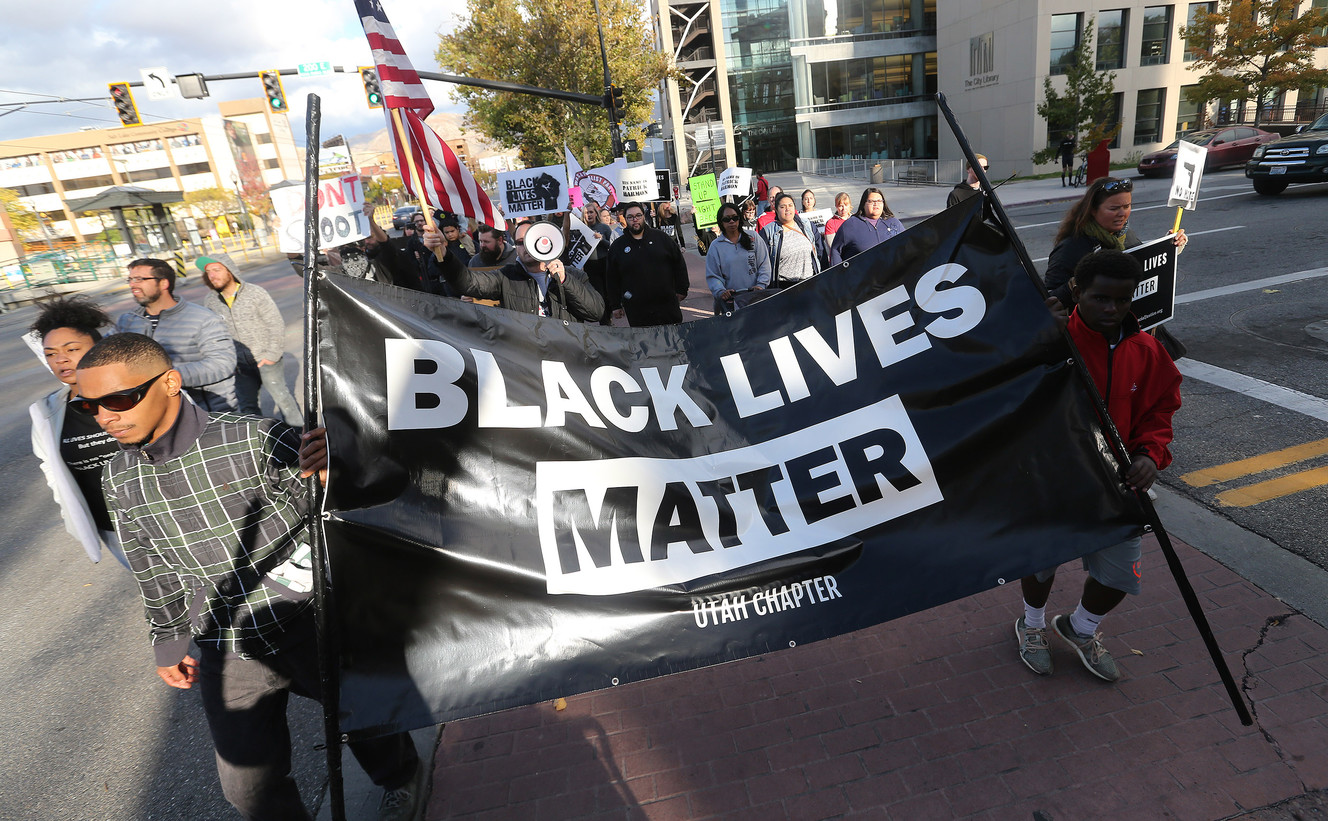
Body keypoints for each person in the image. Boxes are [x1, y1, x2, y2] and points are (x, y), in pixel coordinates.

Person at [73, 333, 425, 820]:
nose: (105, 415)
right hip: (226, 642)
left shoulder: (257, 437)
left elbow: (337, 505)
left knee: (365, 720)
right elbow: (149, 563)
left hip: (309, 620)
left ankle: (402, 778)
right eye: (88, 406)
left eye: (118, 398)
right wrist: (169, 640)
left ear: (170, 383)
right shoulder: (118, 477)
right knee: (246, 786)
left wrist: (332, 475)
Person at [1016, 250, 1182, 682]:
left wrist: (1150, 453)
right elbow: (1008, 391)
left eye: (1122, 300)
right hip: (1051, 479)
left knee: (1121, 574)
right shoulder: (1051, 338)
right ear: (1076, 292)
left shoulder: (1147, 350)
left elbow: (1161, 411)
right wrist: (1039, 341)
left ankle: (1080, 627)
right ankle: (1031, 624)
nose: (1111, 309)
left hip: (1116, 484)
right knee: (1039, 563)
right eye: (1100, 299)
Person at [28, 296, 128, 567]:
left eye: (72, 349)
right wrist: (70, 513)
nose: (61, 360)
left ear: (99, 347)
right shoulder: (45, 412)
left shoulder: (137, 391)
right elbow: (51, 469)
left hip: (167, 517)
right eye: (50, 354)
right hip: (111, 528)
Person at [1044, 177, 1188, 310]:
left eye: (1127, 206)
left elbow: (1144, 266)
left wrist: (1170, 246)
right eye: (1113, 208)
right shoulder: (1071, 247)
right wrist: (1078, 283)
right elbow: (1049, 300)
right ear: (1093, 210)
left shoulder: (1126, 235)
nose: (1122, 214)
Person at [115, 257, 237, 412]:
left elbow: (222, 364)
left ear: (164, 283)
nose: (133, 285)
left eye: (140, 279)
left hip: (206, 414)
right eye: (130, 279)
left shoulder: (202, 318)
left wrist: (163, 377)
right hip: (153, 413)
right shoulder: (127, 321)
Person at [197, 253, 303, 427]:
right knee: (247, 407)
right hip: (239, 366)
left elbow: (275, 324)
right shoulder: (210, 301)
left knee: (283, 399)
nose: (212, 275)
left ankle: (300, 437)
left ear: (230, 270)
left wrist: (271, 355)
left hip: (266, 359)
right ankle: (258, 440)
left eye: (217, 270)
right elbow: (214, 335)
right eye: (208, 272)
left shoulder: (255, 293)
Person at [432, 221, 605, 322]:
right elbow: (467, 283)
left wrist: (566, 281)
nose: (527, 247)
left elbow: (595, 313)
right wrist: (444, 254)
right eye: (521, 242)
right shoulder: (505, 277)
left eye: (532, 240)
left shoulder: (574, 275)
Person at [606, 201, 690, 326]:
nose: (635, 220)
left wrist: (682, 289)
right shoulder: (617, 247)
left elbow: (679, 265)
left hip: (666, 305)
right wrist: (615, 305)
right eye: (630, 217)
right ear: (625, 219)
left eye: (638, 216)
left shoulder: (661, 238)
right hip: (637, 309)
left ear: (643, 216)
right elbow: (611, 278)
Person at [705, 202, 771, 314]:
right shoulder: (715, 246)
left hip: (755, 299)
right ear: (721, 222)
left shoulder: (753, 237)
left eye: (735, 218)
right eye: (727, 219)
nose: (731, 221)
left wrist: (760, 286)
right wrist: (721, 291)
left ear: (739, 219)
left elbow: (764, 264)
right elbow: (713, 275)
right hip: (730, 303)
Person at [759, 192, 827, 288]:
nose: (787, 209)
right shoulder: (767, 232)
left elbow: (821, 253)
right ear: (776, 210)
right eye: (782, 207)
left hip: (810, 282)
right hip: (784, 287)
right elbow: (761, 262)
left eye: (790, 205)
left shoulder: (807, 226)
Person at [828, 188, 906, 266]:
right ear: (863, 204)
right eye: (871, 201)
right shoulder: (850, 225)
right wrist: (839, 274)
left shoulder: (894, 223)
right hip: (861, 275)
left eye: (879, 201)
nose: (876, 204)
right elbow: (835, 251)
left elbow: (907, 244)